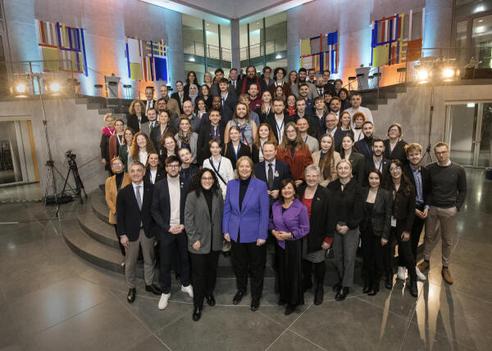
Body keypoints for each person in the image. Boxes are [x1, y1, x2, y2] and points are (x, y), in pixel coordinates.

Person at [223, 156, 270, 311]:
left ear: (251, 169)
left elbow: (265, 212)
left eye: (247, 166)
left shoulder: (261, 185)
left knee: (257, 267)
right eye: (241, 166)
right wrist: (226, 229)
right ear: (237, 169)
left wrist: (263, 234)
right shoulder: (231, 185)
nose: (244, 169)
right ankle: (241, 289)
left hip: (255, 234)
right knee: (239, 265)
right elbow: (227, 209)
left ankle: (256, 296)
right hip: (236, 233)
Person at [419, 142, 467, 285]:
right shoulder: (430, 169)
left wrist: (456, 207)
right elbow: (426, 189)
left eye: (443, 152)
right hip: (433, 207)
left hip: (449, 209)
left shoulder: (458, 169)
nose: (441, 155)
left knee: (447, 240)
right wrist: (427, 205)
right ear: (435, 153)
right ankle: (426, 260)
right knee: (428, 236)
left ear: (448, 152)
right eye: (438, 152)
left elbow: (463, 190)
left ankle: (445, 267)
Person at [152, 156, 193, 310]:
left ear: (180, 167)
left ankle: (185, 284)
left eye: (176, 165)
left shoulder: (187, 184)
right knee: (165, 262)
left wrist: (184, 224)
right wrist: (167, 227)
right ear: (166, 168)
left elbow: (190, 206)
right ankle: (165, 291)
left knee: (184, 258)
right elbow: (154, 210)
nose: (174, 168)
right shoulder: (158, 186)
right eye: (171, 165)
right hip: (166, 230)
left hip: (183, 228)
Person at [116, 161, 161, 303]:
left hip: (148, 232)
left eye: (139, 170)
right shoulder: (123, 192)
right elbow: (120, 216)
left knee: (149, 259)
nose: (136, 173)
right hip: (130, 234)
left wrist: (156, 232)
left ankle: (149, 284)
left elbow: (156, 211)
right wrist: (122, 235)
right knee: (130, 262)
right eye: (133, 171)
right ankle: (131, 287)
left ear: (143, 172)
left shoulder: (152, 189)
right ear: (129, 174)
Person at [185, 169, 224, 321]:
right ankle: (198, 304)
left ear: (213, 180)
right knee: (199, 275)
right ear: (199, 180)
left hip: (215, 241)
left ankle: (209, 292)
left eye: (210, 178)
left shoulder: (218, 194)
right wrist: (193, 239)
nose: (207, 180)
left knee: (212, 270)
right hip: (198, 242)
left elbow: (221, 214)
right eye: (204, 178)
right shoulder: (192, 196)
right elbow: (188, 219)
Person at [270, 179, 309, 315]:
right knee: (281, 271)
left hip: (293, 244)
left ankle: (293, 302)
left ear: (294, 191)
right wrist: (274, 232)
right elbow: (271, 222)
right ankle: (284, 296)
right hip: (279, 243)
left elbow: (305, 229)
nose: (286, 191)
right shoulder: (275, 205)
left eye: (289, 188)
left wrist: (290, 235)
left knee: (292, 273)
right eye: (284, 188)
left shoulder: (301, 208)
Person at [327, 159, 364, 301]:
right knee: (338, 256)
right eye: (340, 168)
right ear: (337, 171)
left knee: (349, 257)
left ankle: (346, 286)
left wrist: (348, 226)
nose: (343, 170)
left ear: (350, 171)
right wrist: (336, 224)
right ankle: (342, 279)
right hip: (335, 225)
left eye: (346, 168)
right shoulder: (331, 186)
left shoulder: (357, 187)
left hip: (351, 227)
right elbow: (330, 208)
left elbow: (359, 211)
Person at [384, 160, 418, 297]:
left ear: (401, 169)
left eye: (397, 168)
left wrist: (408, 230)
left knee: (407, 253)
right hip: (388, 225)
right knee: (387, 252)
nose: (395, 171)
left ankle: (413, 280)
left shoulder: (409, 186)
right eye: (392, 169)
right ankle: (388, 277)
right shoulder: (386, 185)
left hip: (402, 225)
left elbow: (411, 211)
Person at [299, 165, 332, 305]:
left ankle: (319, 288)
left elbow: (331, 217)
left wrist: (328, 239)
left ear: (319, 177)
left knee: (318, 263)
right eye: (308, 176)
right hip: (301, 234)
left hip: (318, 234)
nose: (311, 179)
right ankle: (307, 282)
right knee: (304, 260)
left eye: (314, 176)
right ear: (305, 177)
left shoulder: (326, 193)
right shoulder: (300, 189)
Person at [359, 170, 392, 296]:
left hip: (379, 232)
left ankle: (375, 284)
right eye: (371, 178)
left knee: (377, 259)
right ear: (368, 179)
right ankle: (367, 282)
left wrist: (385, 235)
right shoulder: (363, 192)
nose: (373, 181)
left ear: (380, 179)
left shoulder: (386, 194)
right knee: (366, 257)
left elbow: (388, 216)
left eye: (376, 178)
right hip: (365, 231)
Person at [404, 143, 430, 282]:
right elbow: (401, 195)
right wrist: (414, 210)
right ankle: (403, 266)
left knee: (415, 240)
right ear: (407, 157)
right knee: (405, 241)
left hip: (422, 210)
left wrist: (426, 207)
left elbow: (428, 192)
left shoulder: (425, 172)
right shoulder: (403, 171)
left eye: (416, 154)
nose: (414, 157)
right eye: (411, 155)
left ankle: (412, 267)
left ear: (420, 155)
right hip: (409, 211)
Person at [105, 157, 131, 260]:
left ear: (124, 165)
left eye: (119, 163)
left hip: (129, 214)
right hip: (116, 215)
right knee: (121, 236)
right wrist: (116, 210)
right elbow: (108, 198)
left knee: (131, 236)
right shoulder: (108, 180)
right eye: (114, 164)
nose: (117, 166)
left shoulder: (129, 177)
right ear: (111, 168)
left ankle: (136, 256)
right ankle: (126, 257)